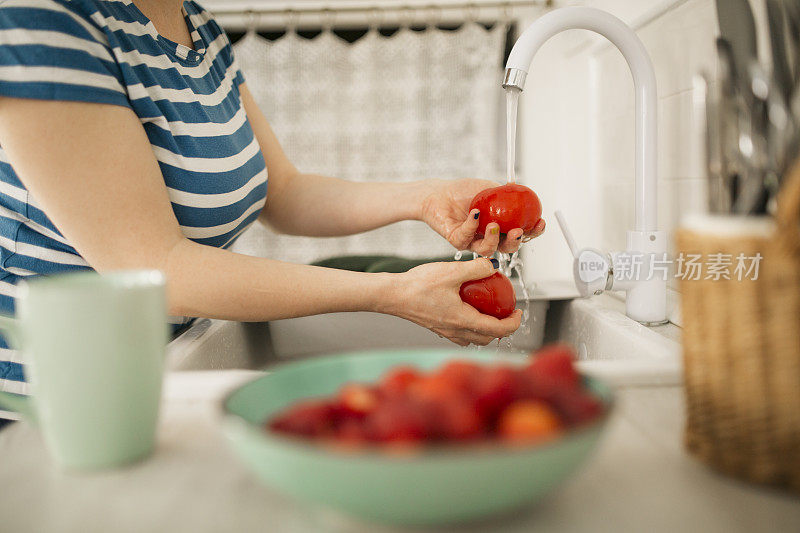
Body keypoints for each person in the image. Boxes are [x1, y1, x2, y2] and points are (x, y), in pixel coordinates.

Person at [0, 0, 545, 421]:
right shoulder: (43, 21)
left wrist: (424, 199)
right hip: (51, 409)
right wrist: (389, 293)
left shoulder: (194, 24)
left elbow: (282, 192)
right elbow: (155, 267)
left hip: (153, 382)